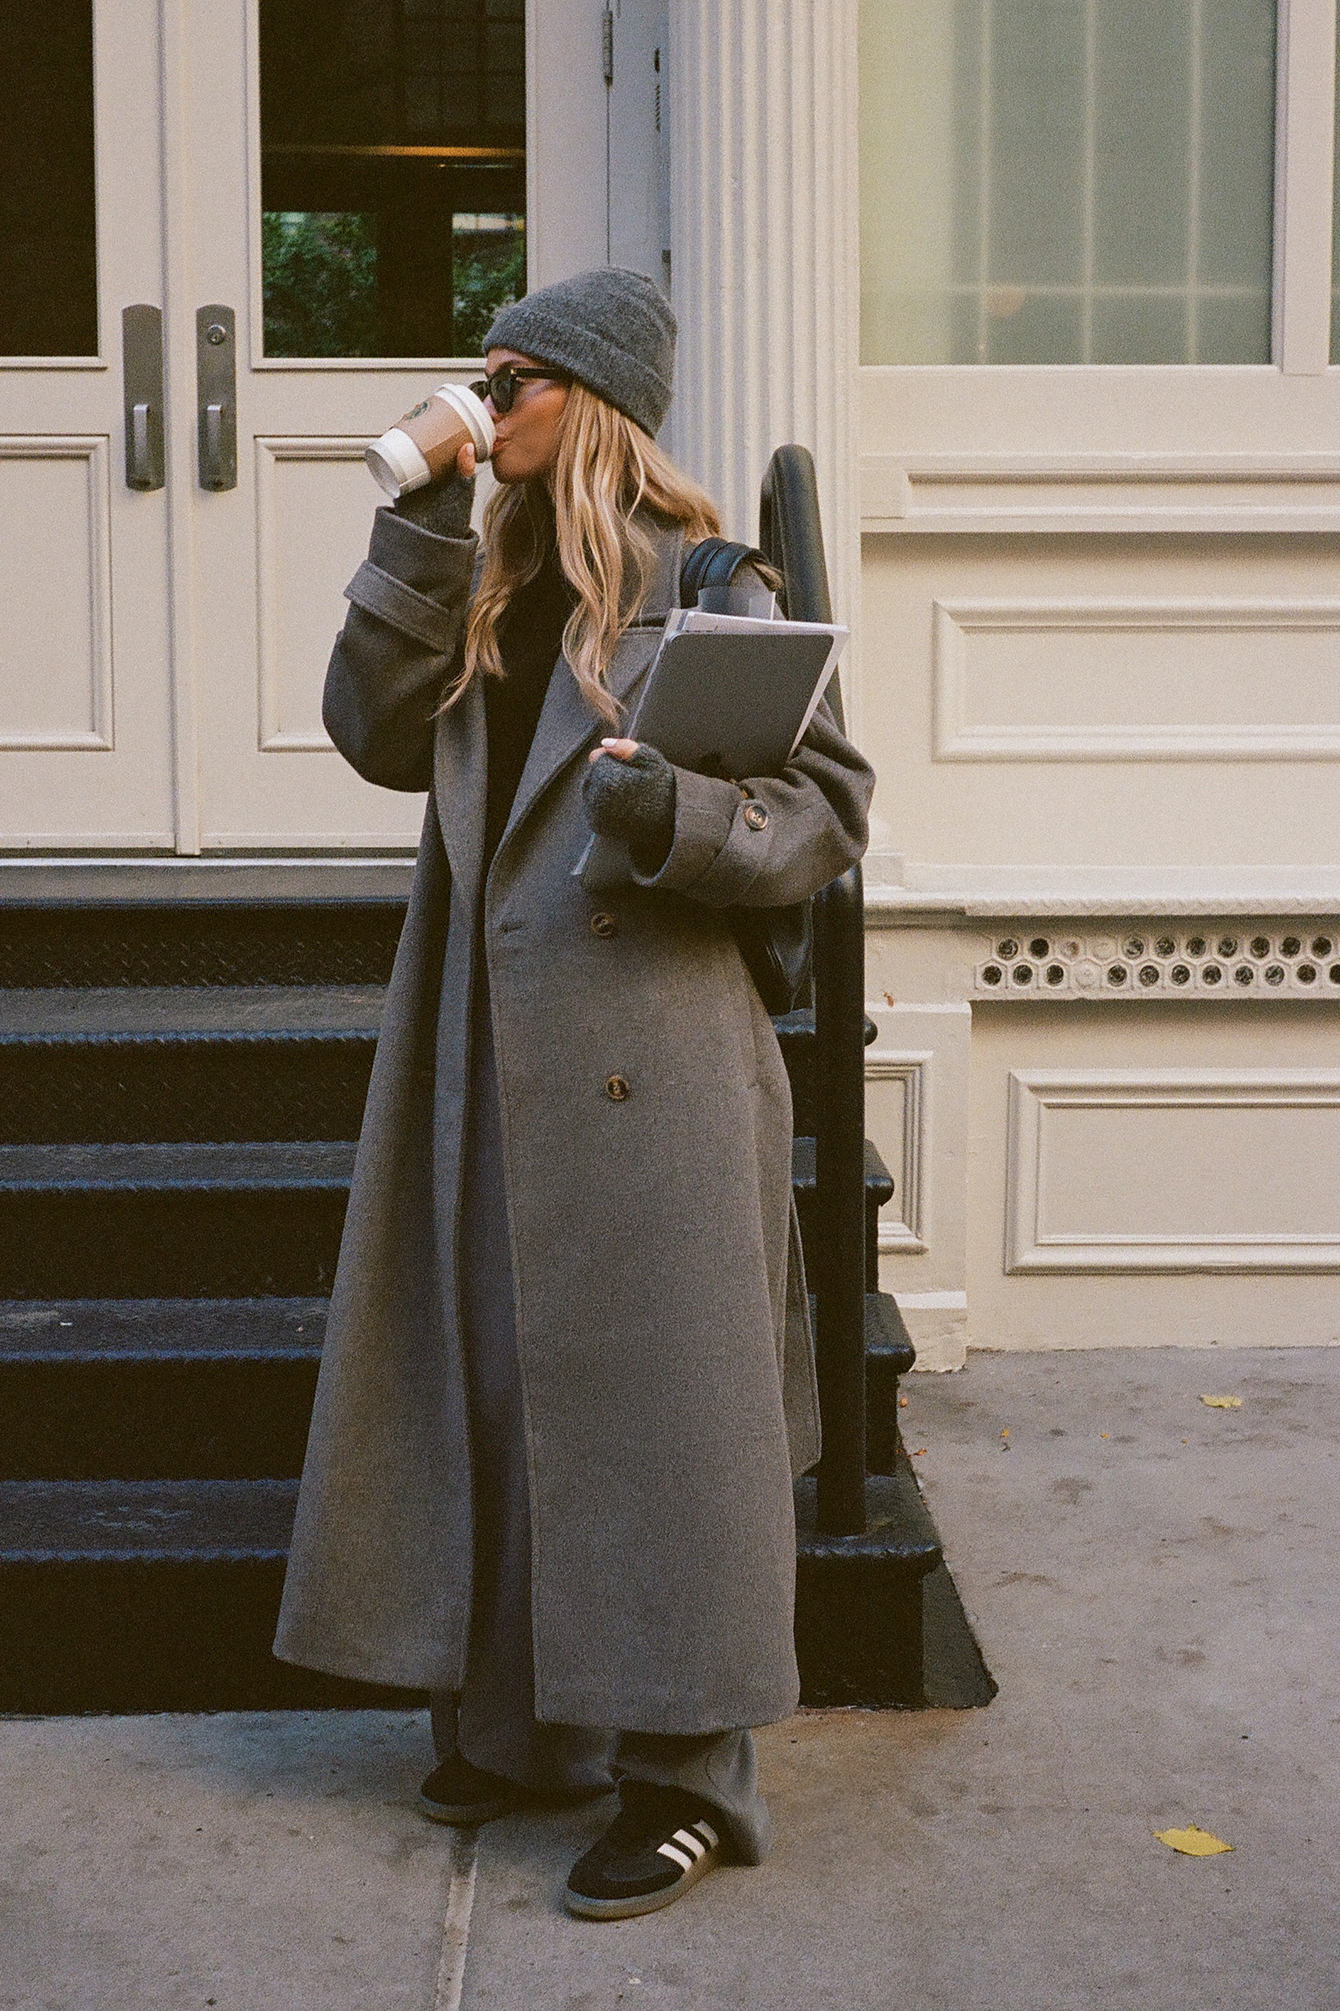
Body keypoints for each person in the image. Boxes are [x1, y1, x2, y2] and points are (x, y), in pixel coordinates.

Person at [274, 267, 874, 1919]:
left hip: (659, 1061)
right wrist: (417, 523)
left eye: (511, 382)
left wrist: (676, 817)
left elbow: (827, 811)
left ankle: (688, 1783)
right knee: (506, 1391)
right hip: (488, 1043)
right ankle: (527, 1731)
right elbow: (370, 734)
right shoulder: (483, 575)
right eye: (481, 380)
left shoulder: (715, 581)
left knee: (672, 1424)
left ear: (591, 401)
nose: (485, 406)